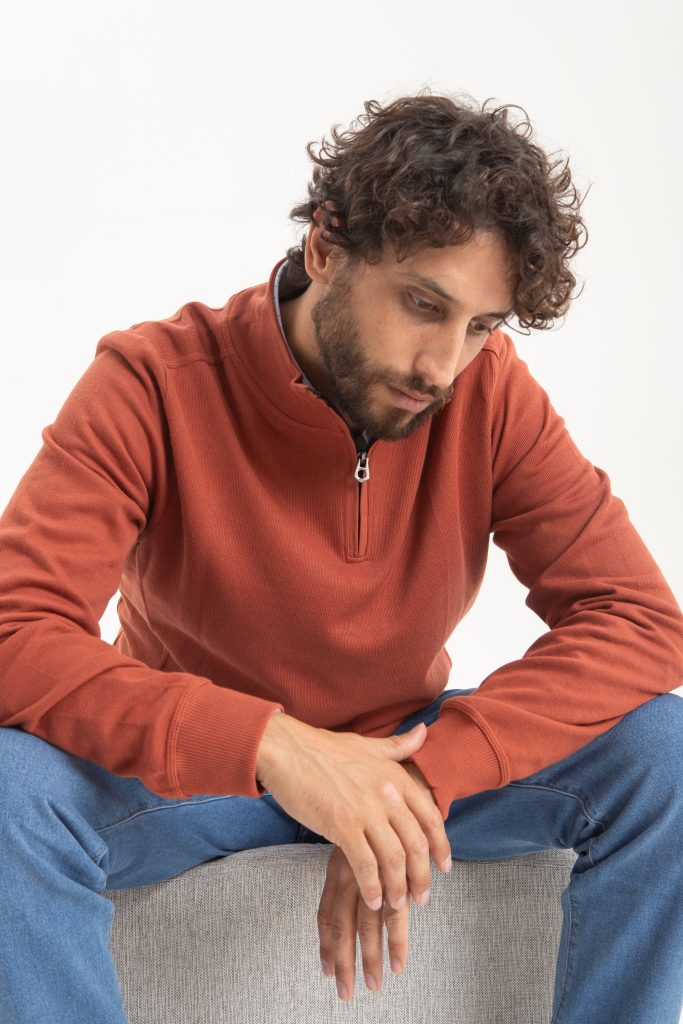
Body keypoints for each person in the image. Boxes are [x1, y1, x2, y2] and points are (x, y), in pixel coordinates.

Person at [0, 90, 681, 1023]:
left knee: (663, 752)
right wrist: (271, 744)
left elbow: (637, 618)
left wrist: (417, 779)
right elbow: (16, 630)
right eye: (422, 305)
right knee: (9, 786)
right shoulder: (152, 382)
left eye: (480, 326)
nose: (442, 365)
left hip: (404, 745)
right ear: (325, 247)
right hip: (194, 773)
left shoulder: (486, 393)